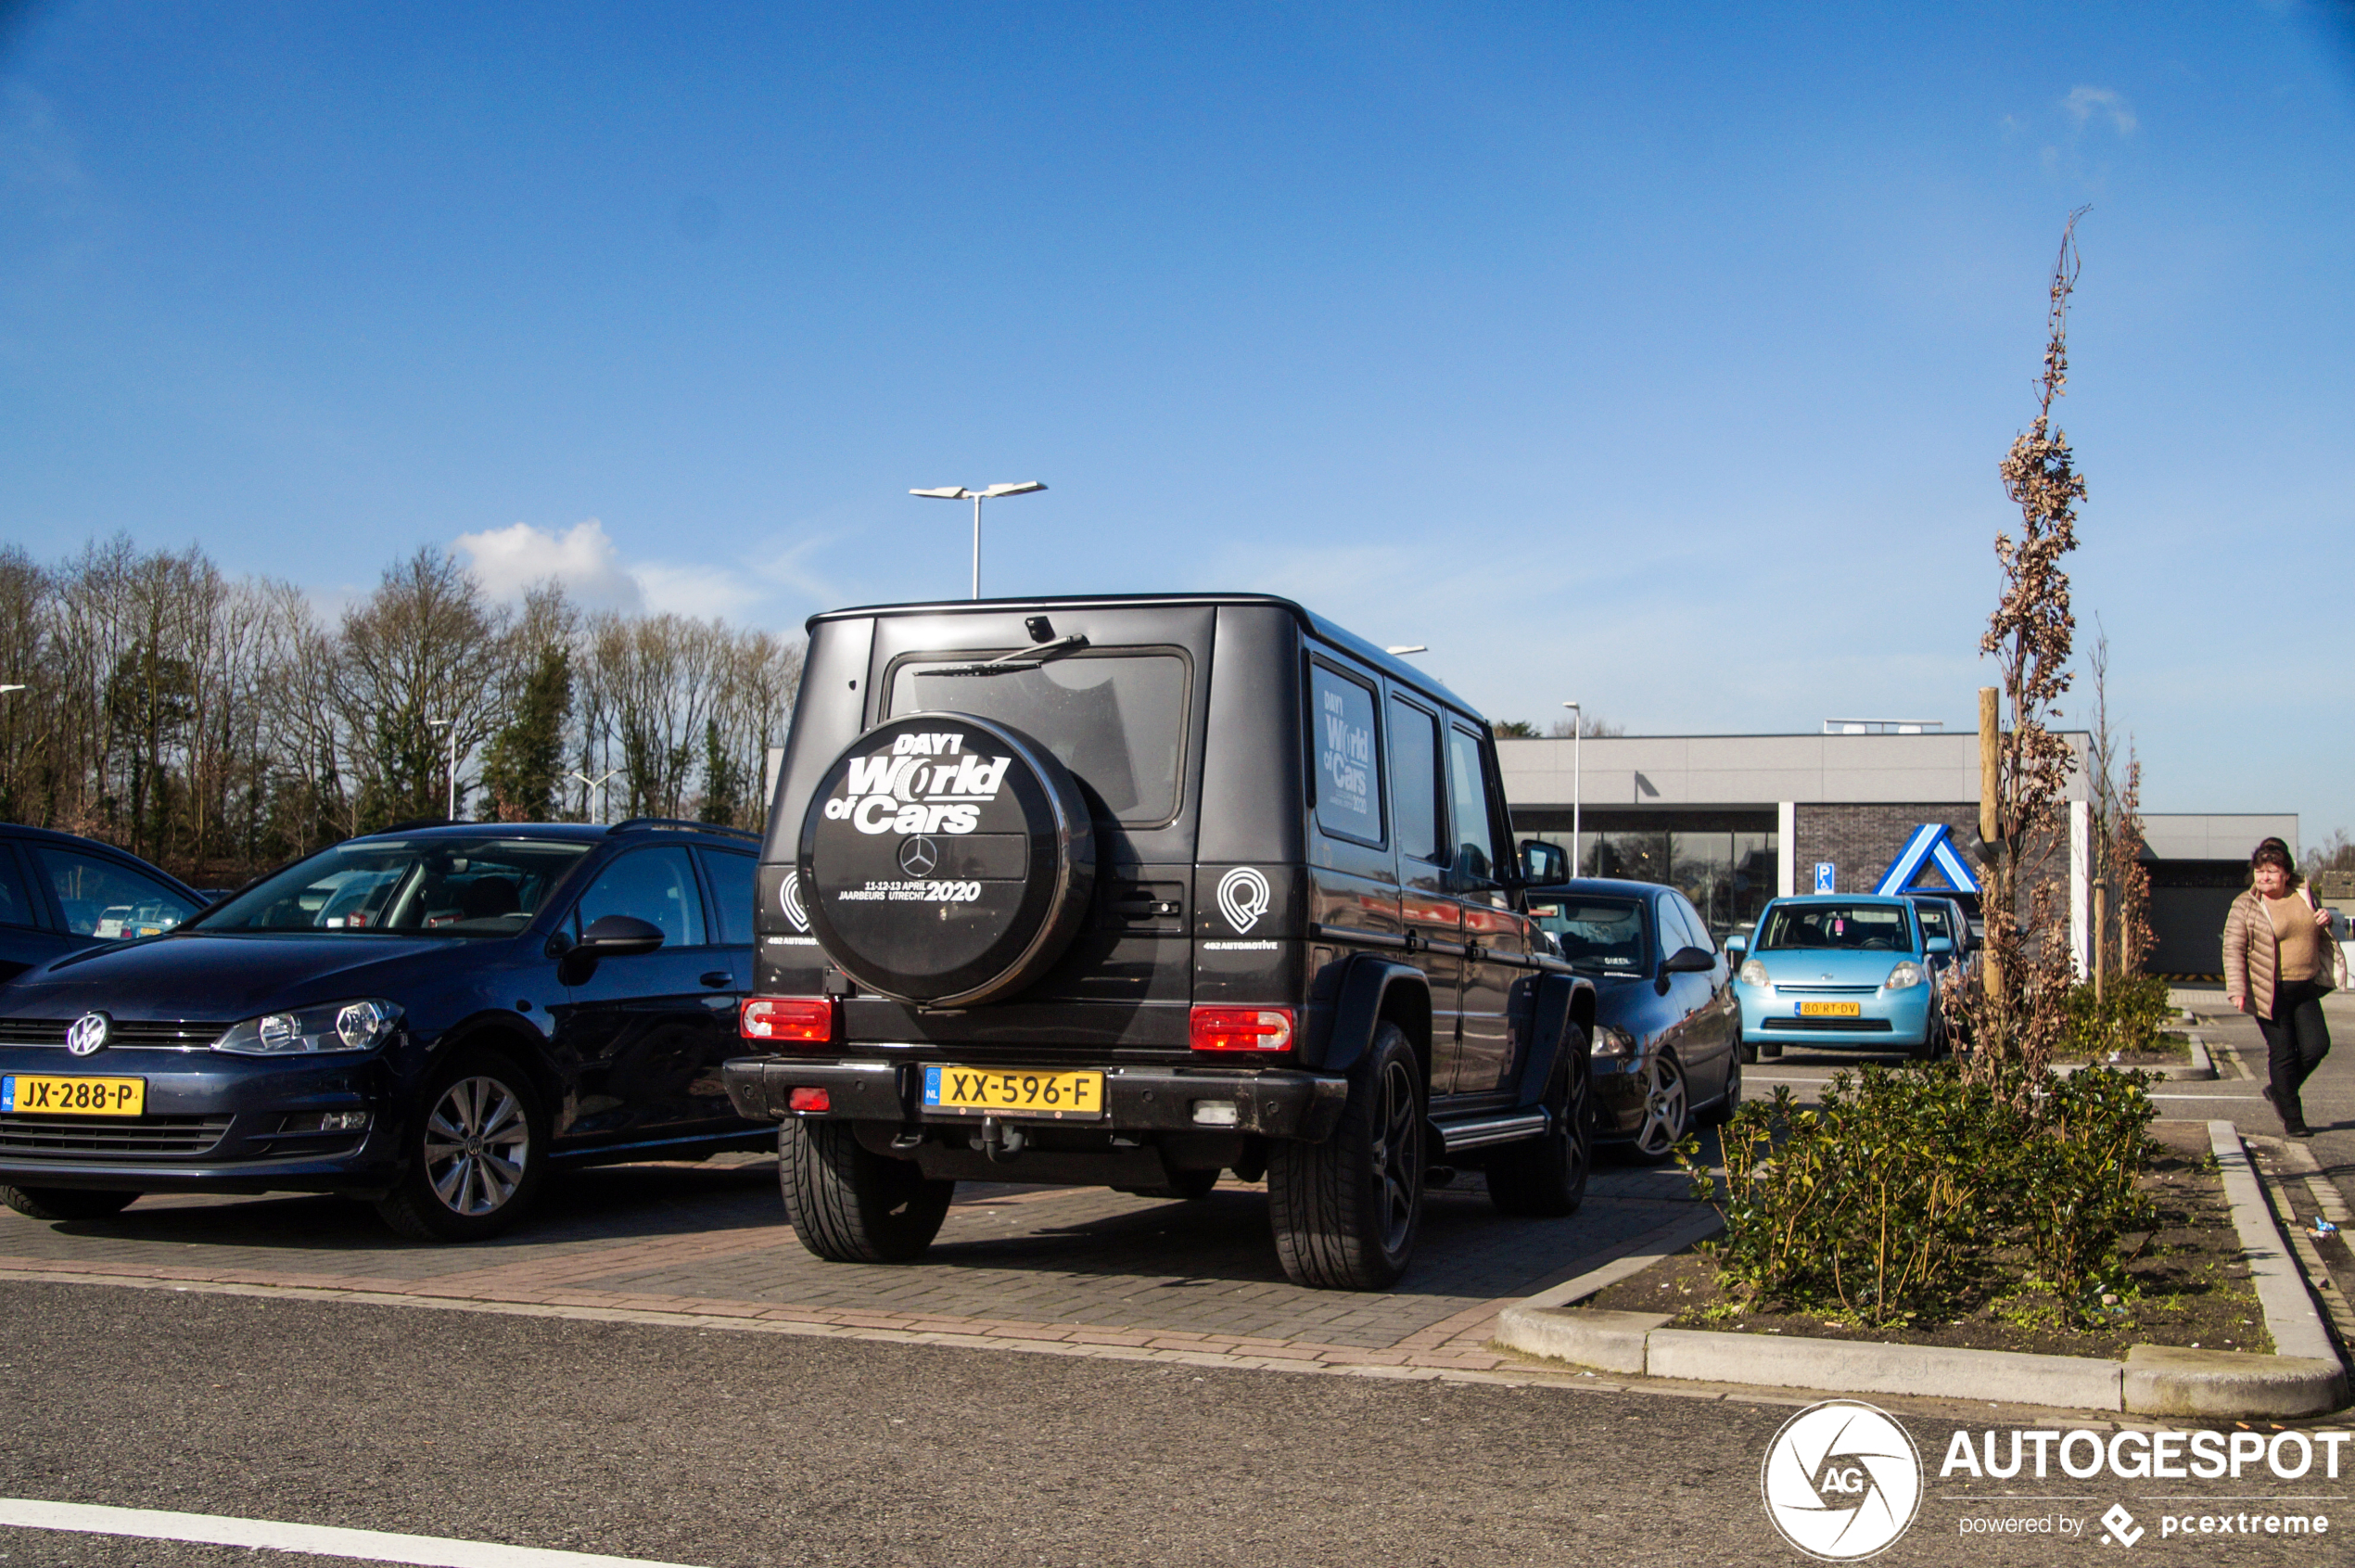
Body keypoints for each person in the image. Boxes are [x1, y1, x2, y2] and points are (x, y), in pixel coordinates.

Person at [2222, 837, 2335, 1137]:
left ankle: (2279, 1090)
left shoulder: (2304, 895)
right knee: (2283, 1053)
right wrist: (2237, 988)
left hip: (2305, 986)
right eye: (2260, 872)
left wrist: (2326, 919)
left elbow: (2320, 926)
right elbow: (2233, 948)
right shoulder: (2246, 905)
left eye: (2271, 871)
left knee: (2316, 1046)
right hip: (2268, 990)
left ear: (2286, 873)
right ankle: (2293, 1119)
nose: (2265, 877)